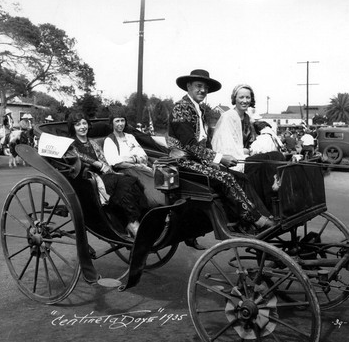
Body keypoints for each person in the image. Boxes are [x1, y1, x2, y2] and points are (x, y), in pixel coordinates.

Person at [167, 69, 274, 236]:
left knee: (241, 177)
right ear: (188, 86)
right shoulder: (181, 109)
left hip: (197, 161)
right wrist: (219, 158)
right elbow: (190, 145)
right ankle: (254, 219)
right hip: (182, 163)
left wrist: (214, 158)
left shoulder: (199, 110)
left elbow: (205, 141)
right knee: (225, 177)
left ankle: (260, 217)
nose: (202, 90)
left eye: (205, 87)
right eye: (198, 86)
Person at [67, 114, 149, 237]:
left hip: (104, 175)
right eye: (78, 124)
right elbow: (80, 157)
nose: (82, 127)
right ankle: (131, 224)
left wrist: (110, 170)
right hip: (87, 178)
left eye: (84, 123)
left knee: (128, 181)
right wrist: (98, 164)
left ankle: (133, 221)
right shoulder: (71, 144)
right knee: (122, 184)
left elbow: (104, 160)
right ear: (73, 127)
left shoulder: (93, 142)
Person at [103, 113, 166, 207]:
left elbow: (143, 155)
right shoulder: (109, 140)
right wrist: (135, 162)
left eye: (122, 120)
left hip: (141, 166)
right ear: (112, 123)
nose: (120, 124)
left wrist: (133, 159)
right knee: (151, 191)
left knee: (163, 179)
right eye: (117, 121)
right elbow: (116, 163)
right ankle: (154, 206)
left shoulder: (130, 137)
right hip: (126, 170)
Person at [211, 84, 256, 172]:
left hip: (245, 157)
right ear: (235, 99)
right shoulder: (228, 117)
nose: (245, 101)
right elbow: (224, 148)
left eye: (248, 97)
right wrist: (244, 151)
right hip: (229, 161)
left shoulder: (248, 118)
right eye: (241, 97)